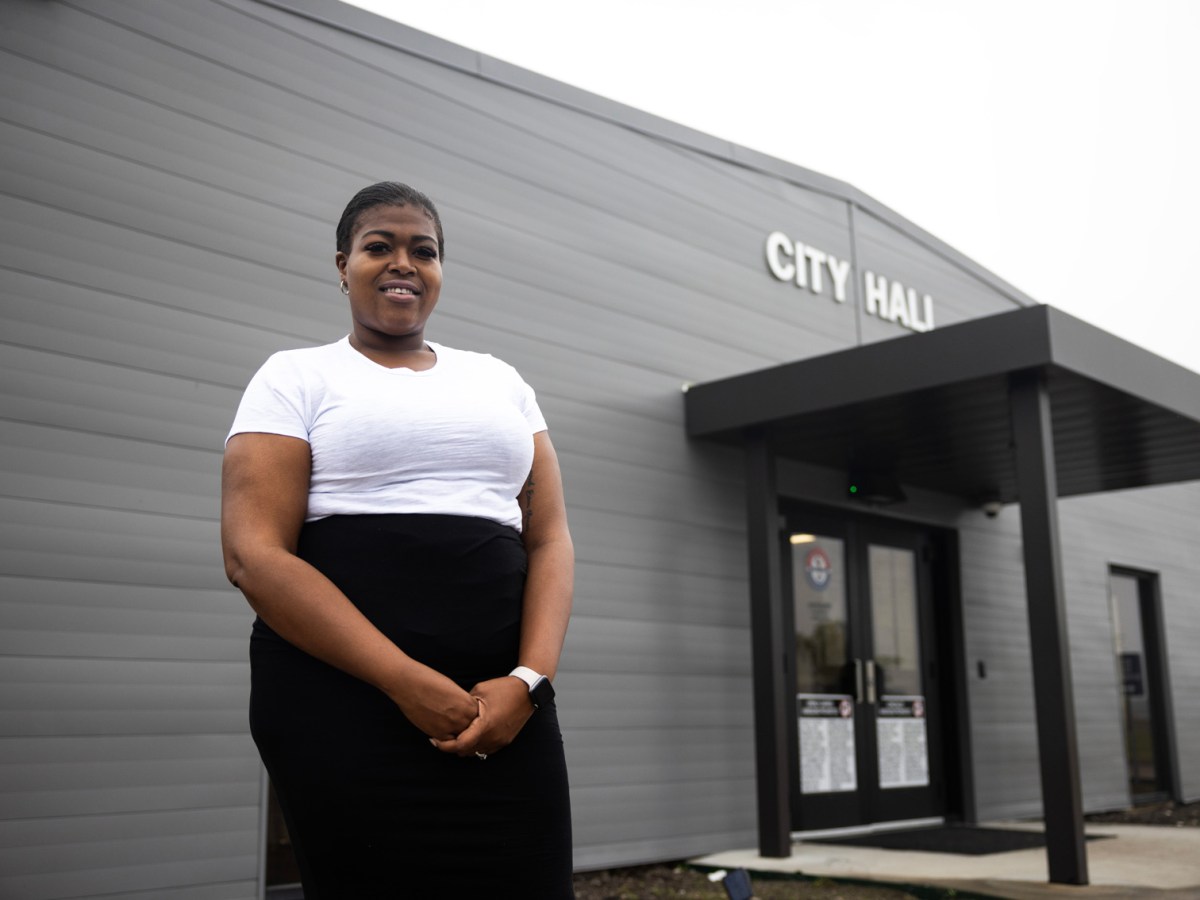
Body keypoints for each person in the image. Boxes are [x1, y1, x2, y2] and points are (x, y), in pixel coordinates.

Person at [220, 182, 575, 897]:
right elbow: (253, 555)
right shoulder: (295, 376)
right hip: (341, 705)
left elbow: (550, 540)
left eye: (424, 250)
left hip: (501, 711)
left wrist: (527, 684)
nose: (402, 263)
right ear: (342, 264)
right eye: (378, 246)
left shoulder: (500, 381)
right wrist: (403, 681)